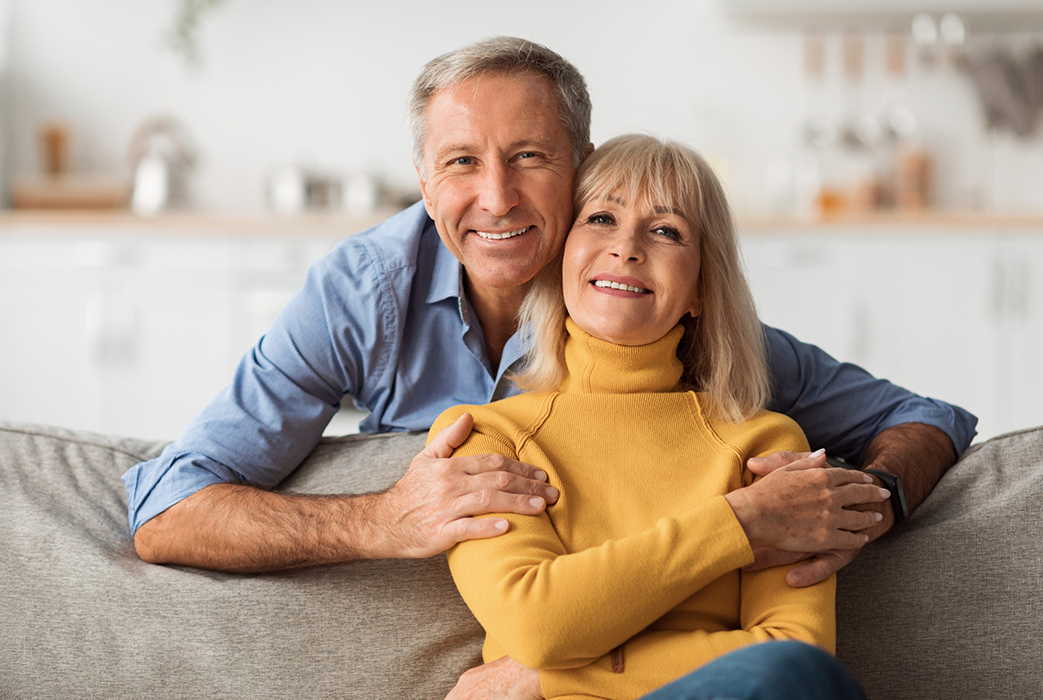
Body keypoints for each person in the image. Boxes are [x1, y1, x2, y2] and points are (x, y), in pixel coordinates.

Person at [124, 35, 973, 601]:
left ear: (582, 166)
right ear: (424, 183)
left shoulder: (649, 305)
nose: (496, 199)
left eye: (530, 157)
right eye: (462, 163)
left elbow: (925, 417)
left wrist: (865, 502)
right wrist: (383, 518)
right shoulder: (362, 293)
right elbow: (168, 506)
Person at [433, 133, 865, 700]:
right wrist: (741, 522)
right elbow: (539, 625)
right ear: (563, 254)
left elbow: (793, 657)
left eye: (666, 231)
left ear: (700, 290)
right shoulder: (485, 438)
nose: (627, 247)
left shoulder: (765, 442)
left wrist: (546, 675)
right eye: (601, 219)